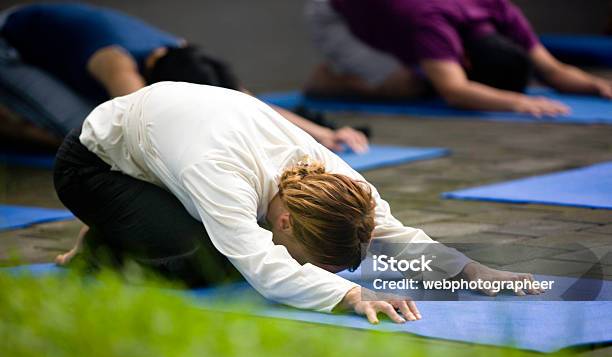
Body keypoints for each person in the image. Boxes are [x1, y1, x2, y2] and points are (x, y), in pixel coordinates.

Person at [54, 81, 543, 324]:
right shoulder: (222, 176)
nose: (320, 270)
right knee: (210, 260)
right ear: (283, 218)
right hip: (92, 168)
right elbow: (262, 267)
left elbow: (388, 230)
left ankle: (123, 223)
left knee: (225, 240)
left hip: (164, 157)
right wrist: (351, 296)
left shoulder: (330, 174)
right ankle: (100, 243)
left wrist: (470, 271)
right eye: (308, 255)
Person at [0, 2, 367, 152]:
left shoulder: (185, 56)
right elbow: (140, 130)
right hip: (10, 45)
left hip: (61, 46)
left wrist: (323, 134)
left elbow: (242, 99)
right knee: (89, 133)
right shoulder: (118, 63)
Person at [304, 0, 612, 117]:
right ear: (465, 60)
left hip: (393, 14)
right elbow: (455, 92)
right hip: (334, 13)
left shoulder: (500, 9)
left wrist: (598, 86)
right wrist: (517, 103)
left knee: (428, 77)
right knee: (409, 85)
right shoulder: (433, 22)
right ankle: (328, 79)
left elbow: (552, 69)